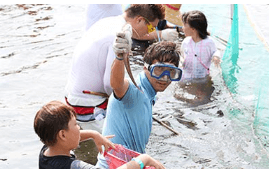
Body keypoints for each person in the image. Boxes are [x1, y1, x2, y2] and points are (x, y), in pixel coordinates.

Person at [64, 4, 165, 132]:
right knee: (116, 143)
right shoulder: (120, 35)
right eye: (151, 27)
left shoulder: (108, 21)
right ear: (139, 20)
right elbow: (110, 85)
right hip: (88, 105)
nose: (150, 32)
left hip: (71, 97)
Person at [96, 40, 182, 168]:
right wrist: (119, 57)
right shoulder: (133, 89)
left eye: (171, 72)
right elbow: (117, 84)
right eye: (159, 70)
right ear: (145, 67)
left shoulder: (150, 94)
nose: (165, 78)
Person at [34, 100, 165, 169]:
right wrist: (143, 160)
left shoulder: (46, 150)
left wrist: (93, 134)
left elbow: (68, 136)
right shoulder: (73, 166)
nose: (79, 128)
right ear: (62, 135)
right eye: (75, 124)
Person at [177, 10, 221, 104]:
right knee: (179, 96)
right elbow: (181, 55)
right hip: (186, 76)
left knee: (203, 99)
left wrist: (216, 57)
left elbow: (215, 51)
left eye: (185, 25)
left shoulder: (208, 42)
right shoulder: (186, 41)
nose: (183, 28)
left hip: (202, 78)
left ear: (193, 29)